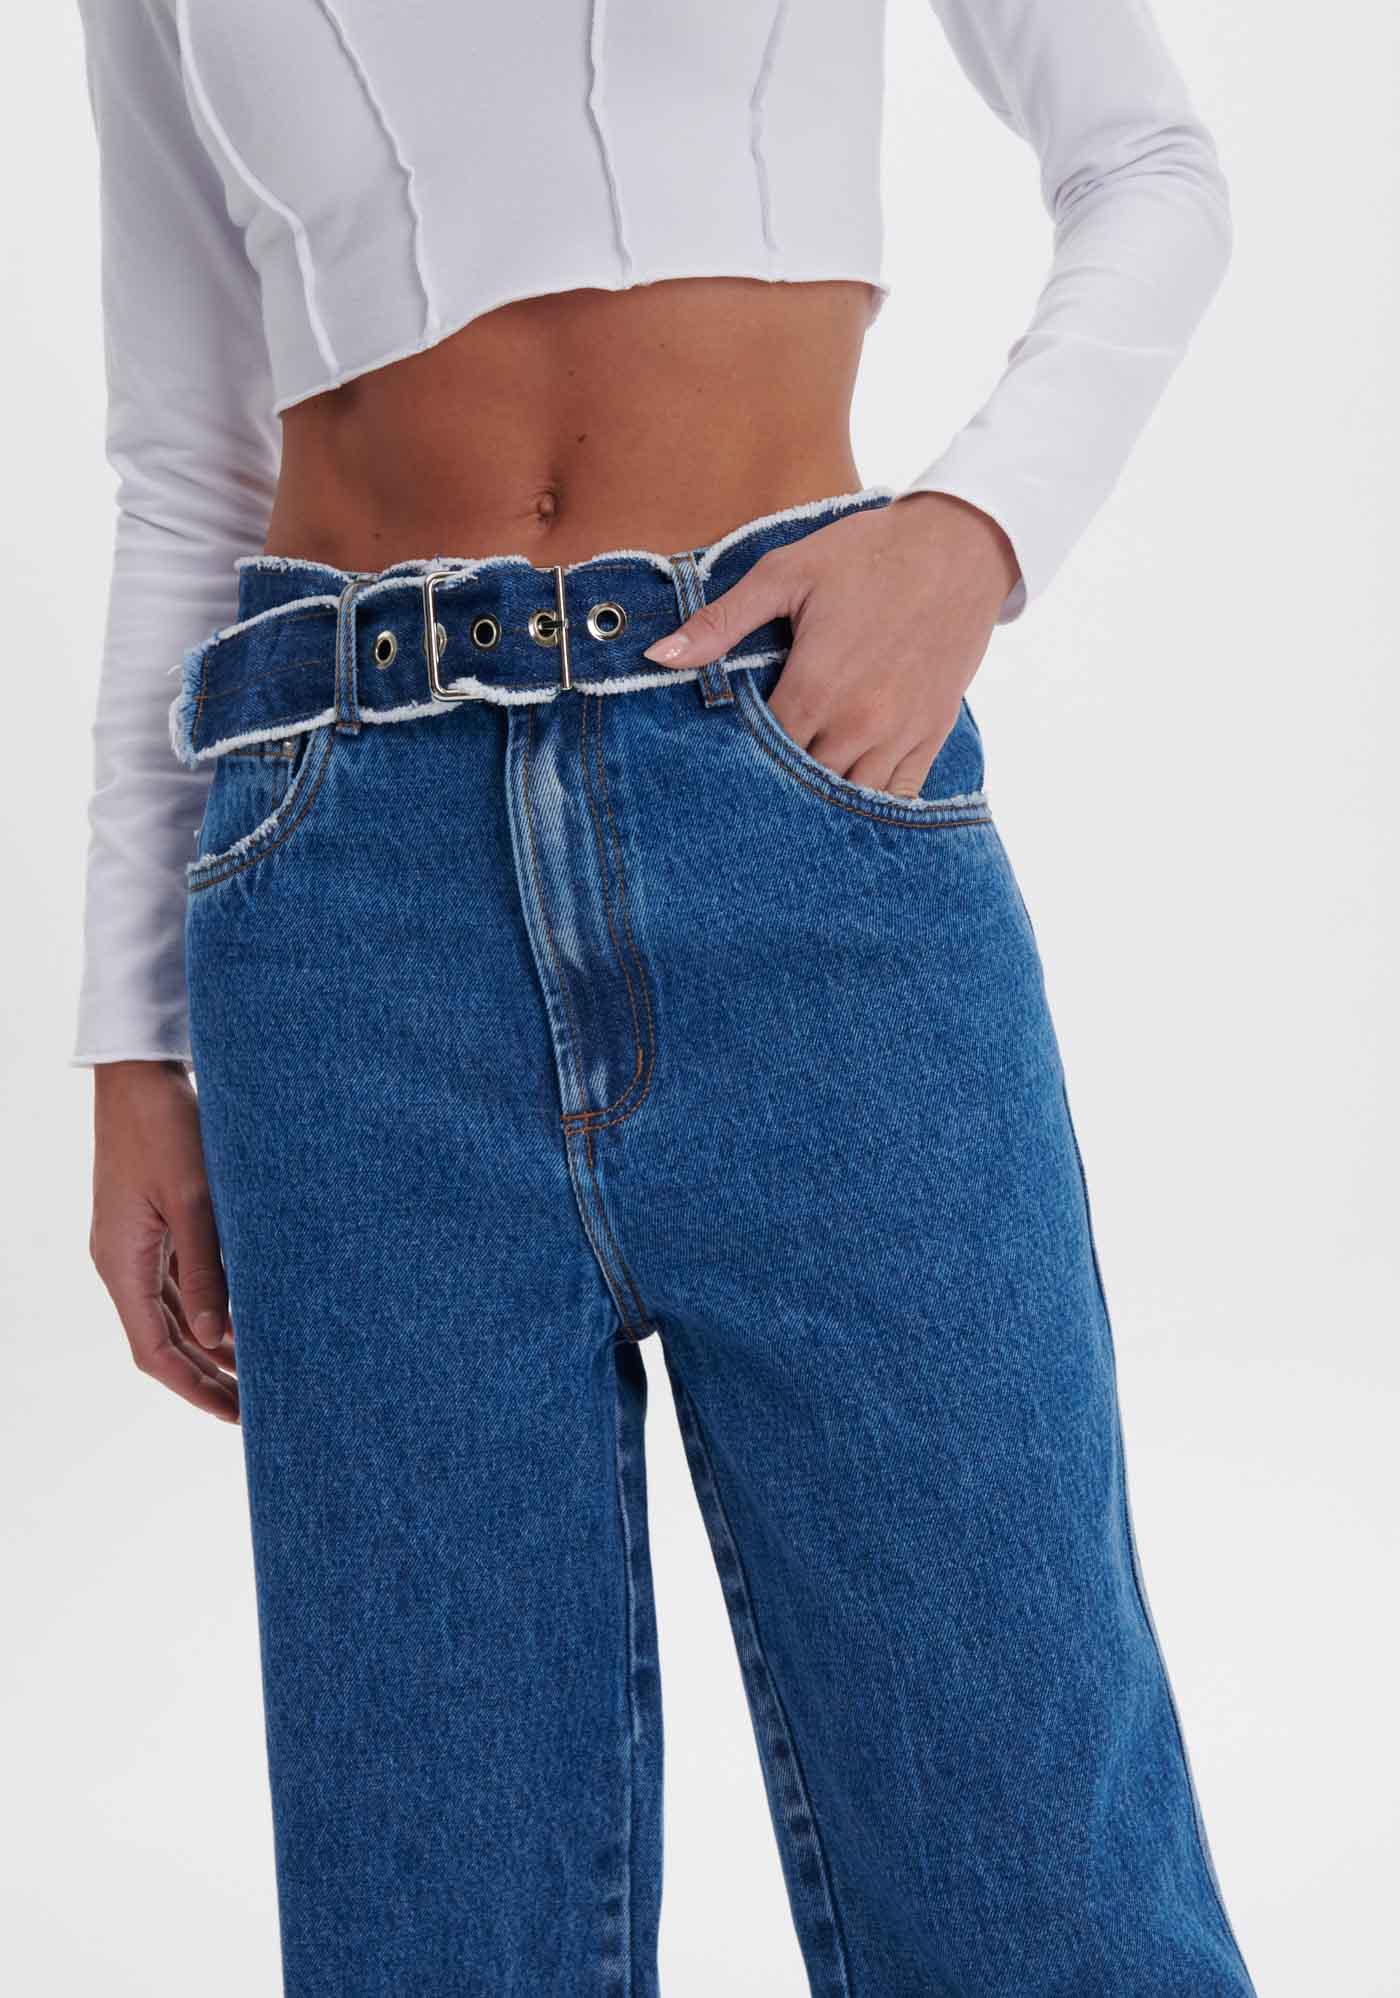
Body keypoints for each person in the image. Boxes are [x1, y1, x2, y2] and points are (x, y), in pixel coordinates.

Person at [74, 1, 1255, 1992]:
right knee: (435, 1904)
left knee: (1029, 1858)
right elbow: (187, 469)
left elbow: (1150, 162)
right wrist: (132, 1047)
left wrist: (972, 532)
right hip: (345, 897)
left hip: (796, 801)